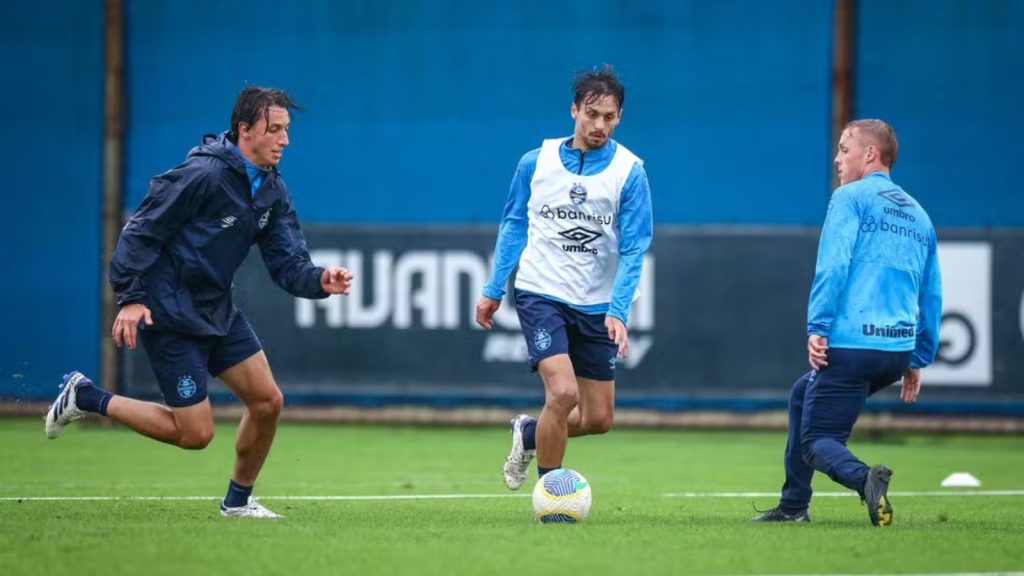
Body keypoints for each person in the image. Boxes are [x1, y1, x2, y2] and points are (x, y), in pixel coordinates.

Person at [43, 86, 353, 518]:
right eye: (275, 129)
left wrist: (320, 279)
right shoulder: (202, 175)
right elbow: (141, 232)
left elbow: (287, 263)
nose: (285, 140)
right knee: (196, 435)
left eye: (286, 130)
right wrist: (131, 299)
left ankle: (238, 504)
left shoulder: (271, 190)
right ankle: (86, 395)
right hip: (168, 312)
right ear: (244, 130)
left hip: (217, 310)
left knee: (268, 402)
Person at [754, 119, 942, 526]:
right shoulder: (920, 215)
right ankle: (793, 505)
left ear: (869, 154)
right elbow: (932, 292)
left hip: (853, 346)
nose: (837, 158)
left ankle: (865, 481)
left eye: (844, 149)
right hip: (894, 352)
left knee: (817, 441)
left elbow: (833, 266)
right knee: (803, 396)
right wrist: (919, 357)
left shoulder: (850, 198)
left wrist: (817, 326)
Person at [475, 66, 653, 490]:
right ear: (574, 110)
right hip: (541, 293)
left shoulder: (630, 172)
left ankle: (529, 433)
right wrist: (493, 287)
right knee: (563, 395)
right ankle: (550, 493)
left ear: (619, 118)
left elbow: (633, 249)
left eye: (609, 117)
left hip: (595, 305)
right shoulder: (535, 163)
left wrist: (618, 310)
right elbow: (514, 224)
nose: (599, 125)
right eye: (591, 114)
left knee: (598, 419)